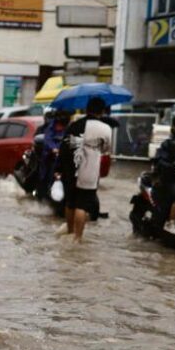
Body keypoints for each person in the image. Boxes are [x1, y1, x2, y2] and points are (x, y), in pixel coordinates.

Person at [69, 98, 112, 242]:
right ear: (102, 111)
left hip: (72, 167)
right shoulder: (105, 128)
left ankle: (69, 232)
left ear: (87, 109)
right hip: (90, 168)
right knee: (82, 204)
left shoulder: (75, 125)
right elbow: (106, 148)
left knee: (71, 202)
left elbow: (67, 146)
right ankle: (77, 238)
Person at [38, 109, 70, 199]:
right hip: (50, 157)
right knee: (45, 175)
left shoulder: (69, 128)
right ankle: (45, 193)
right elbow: (47, 140)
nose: (61, 127)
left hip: (64, 158)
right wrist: (53, 149)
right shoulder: (50, 128)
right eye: (60, 125)